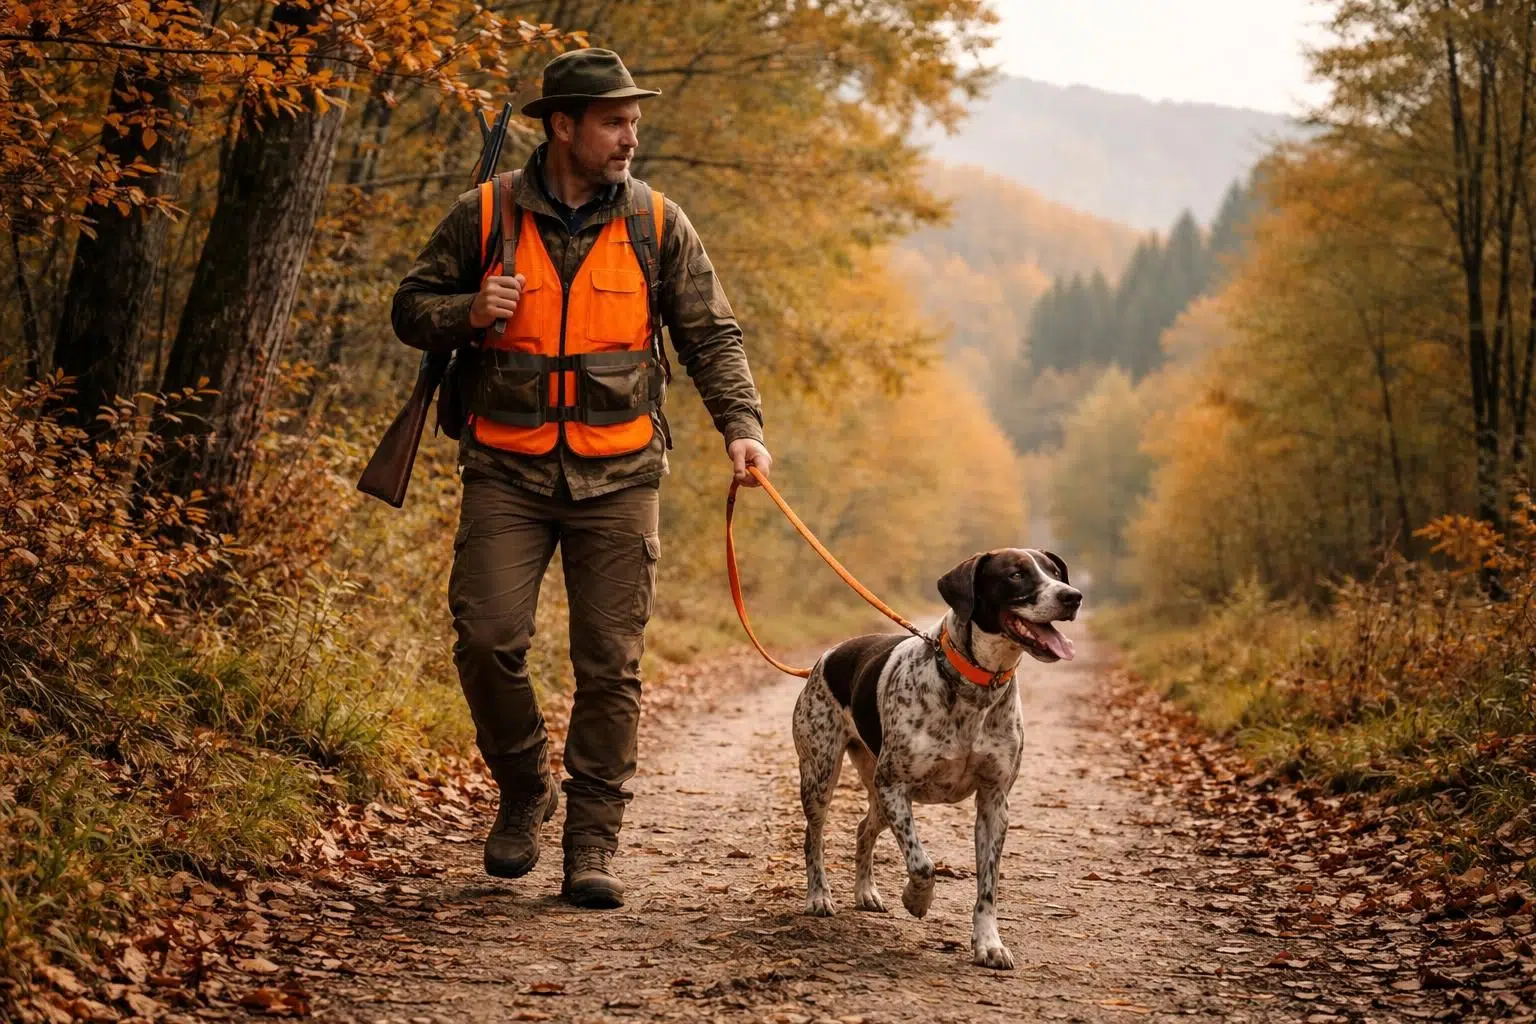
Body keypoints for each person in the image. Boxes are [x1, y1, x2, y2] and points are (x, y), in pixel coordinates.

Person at [390, 48, 772, 908]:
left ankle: (592, 842)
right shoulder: (482, 214)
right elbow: (410, 307)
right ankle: (526, 788)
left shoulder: (658, 223)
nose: (631, 135)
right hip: (505, 468)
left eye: (634, 119)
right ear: (562, 125)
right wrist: (466, 311)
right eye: (614, 120)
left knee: (611, 667)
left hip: (622, 473)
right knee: (486, 640)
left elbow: (712, 336)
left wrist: (742, 431)